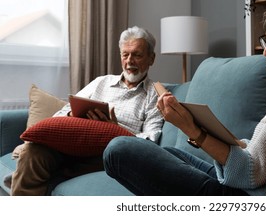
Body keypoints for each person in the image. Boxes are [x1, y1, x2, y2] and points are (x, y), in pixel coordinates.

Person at [103, 1, 266, 195]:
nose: (265, 52)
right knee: (169, 153)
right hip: (240, 181)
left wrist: (192, 129)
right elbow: (259, 152)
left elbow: (251, 172)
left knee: (119, 149)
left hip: (244, 195)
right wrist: (207, 129)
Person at [10, 26, 164, 195]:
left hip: (106, 153)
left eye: (137, 55)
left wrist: (116, 130)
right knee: (33, 152)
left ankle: (36, 178)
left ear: (152, 58)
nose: (129, 61)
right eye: (125, 55)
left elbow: (151, 141)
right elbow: (60, 114)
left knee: (95, 161)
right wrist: (73, 115)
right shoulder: (102, 82)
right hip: (72, 144)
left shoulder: (155, 95)